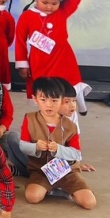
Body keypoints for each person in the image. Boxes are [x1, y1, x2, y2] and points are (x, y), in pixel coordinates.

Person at [15, 0, 90, 112]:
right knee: (45, 89)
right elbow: (20, 41)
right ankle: (47, 113)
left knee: (69, 84)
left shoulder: (62, 11)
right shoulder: (27, 17)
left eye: (54, 3)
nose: (49, 7)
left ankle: (75, 102)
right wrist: (23, 64)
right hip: (39, 60)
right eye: (45, 2)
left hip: (63, 57)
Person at [18, 77, 95, 210]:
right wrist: (36, 147)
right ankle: (55, 190)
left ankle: (63, 189)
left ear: (61, 101)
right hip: (41, 170)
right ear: (35, 99)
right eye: (43, 100)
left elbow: (76, 154)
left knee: (89, 203)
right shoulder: (29, 119)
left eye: (54, 100)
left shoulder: (71, 126)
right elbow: (23, 146)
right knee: (32, 197)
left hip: (67, 171)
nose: (49, 105)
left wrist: (59, 149)